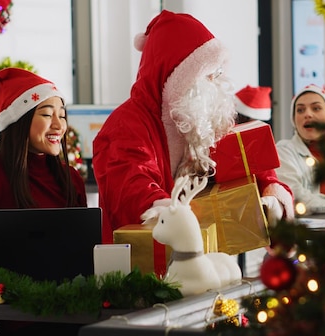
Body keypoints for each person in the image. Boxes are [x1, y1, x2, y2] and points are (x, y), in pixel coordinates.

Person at [92, 10, 294, 247]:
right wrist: (178, 219)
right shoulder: (125, 125)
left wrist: (271, 192)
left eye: (217, 73)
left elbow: (245, 161)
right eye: (207, 74)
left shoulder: (202, 115)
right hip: (142, 263)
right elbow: (131, 187)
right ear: (178, 77)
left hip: (204, 258)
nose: (215, 82)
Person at [0, 67, 87, 336]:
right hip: (20, 319)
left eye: (61, 115)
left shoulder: (71, 177)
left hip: (74, 312)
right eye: (47, 114)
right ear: (20, 118)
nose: (59, 125)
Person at [275, 84, 325, 215]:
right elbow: (295, 196)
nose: (308, 114)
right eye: (300, 110)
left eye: (316, 108)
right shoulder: (283, 151)